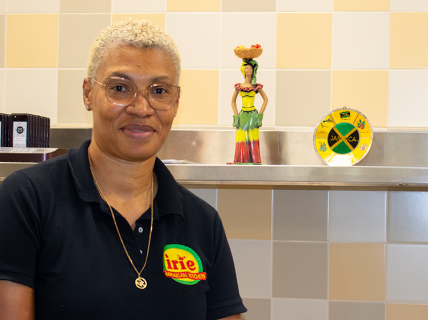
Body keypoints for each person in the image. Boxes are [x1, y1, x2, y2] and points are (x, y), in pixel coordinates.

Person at [0, 20, 245, 320]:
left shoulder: (203, 222)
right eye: (120, 88)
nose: (142, 108)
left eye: (159, 90)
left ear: (176, 101)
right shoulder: (27, 199)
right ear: (88, 93)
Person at [231, 59, 268, 164]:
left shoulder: (255, 87)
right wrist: (236, 116)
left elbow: (266, 100)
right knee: (241, 137)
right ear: (243, 70)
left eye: (251, 68)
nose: (249, 70)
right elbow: (233, 102)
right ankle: (241, 160)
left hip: (253, 116)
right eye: (246, 68)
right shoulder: (239, 87)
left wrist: (259, 116)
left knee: (252, 138)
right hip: (242, 116)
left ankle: (254, 160)